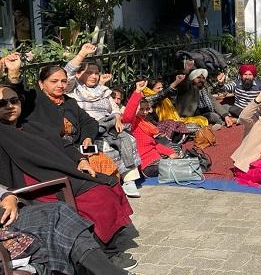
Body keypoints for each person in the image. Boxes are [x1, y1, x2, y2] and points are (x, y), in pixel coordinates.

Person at [0, 85, 137, 270]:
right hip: (35, 187)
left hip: (59, 174)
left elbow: (62, 144)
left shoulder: (32, 126)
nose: (9, 106)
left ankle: (105, 250)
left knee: (106, 186)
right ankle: (99, 255)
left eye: (14, 101)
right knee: (92, 199)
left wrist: (80, 160)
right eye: (2, 103)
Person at [64, 43, 142, 197]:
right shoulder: (74, 89)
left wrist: (118, 118)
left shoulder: (103, 90)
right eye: (89, 73)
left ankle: (129, 180)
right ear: (80, 75)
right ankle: (109, 179)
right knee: (104, 147)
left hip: (109, 124)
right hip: (89, 129)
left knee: (128, 139)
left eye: (96, 73)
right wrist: (82, 54)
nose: (94, 76)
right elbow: (68, 73)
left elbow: (113, 108)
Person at [0, 187, 131, 274]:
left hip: (7, 216)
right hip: (5, 233)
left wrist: (9, 196)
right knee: (61, 217)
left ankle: (107, 270)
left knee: (60, 212)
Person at [123, 80, 180, 177]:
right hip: (147, 166)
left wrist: (171, 153)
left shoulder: (145, 123)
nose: (145, 112)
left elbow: (154, 144)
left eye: (146, 109)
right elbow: (128, 115)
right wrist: (137, 92)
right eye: (141, 109)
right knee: (179, 168)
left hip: (157, 160)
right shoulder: (132, 124)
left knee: (177, 152)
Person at [174, 61, 230, 127]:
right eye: (198, 78)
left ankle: (225, 120)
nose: (201, 80)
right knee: (213, 115)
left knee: (226, 107)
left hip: (206, 111)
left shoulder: (204, 89)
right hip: (192, 116)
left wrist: (225, 115)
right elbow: (183, 82)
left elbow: (214, 102)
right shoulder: (188, 87)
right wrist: (186, 71)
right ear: (192, 78)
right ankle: (222, 123)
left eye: (203, 78)